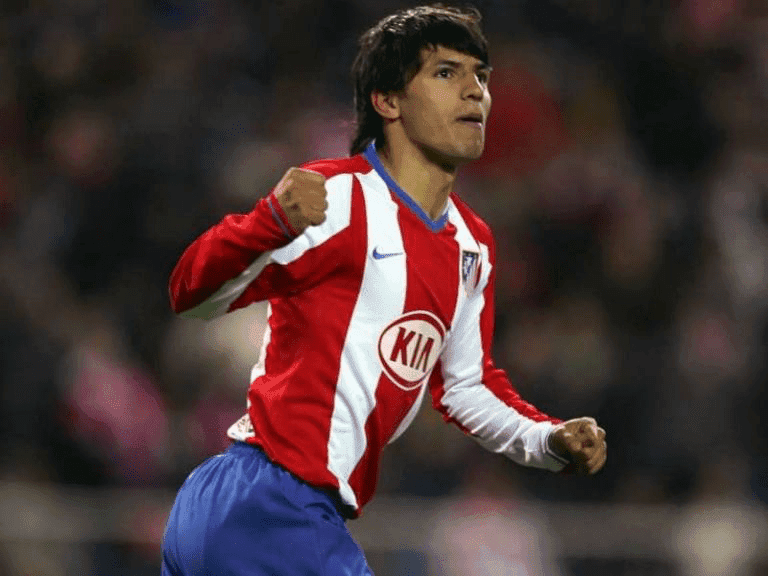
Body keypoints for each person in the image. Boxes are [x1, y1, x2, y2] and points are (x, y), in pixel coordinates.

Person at [161, 4, 607, 575]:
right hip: (270, 502)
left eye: (480, 75)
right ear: (388, 101)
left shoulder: (472, 244)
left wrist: (548, 441)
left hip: (265, 510)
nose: (474, 91)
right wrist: (267, 222)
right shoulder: (339, 198)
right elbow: (192, 298)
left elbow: (466, 387)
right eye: (445, 73)